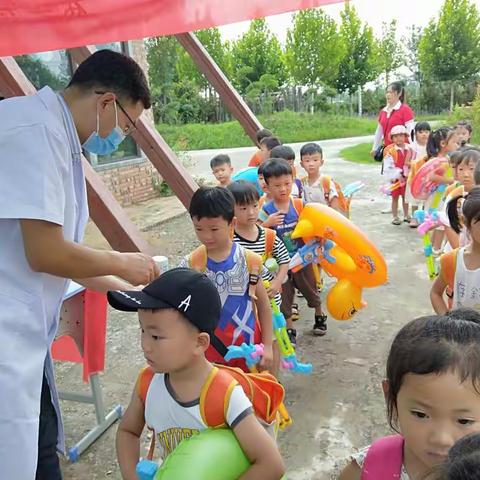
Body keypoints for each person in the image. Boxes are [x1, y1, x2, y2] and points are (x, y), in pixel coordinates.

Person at [0, 49, 159, 480]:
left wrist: (125, 285)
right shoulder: (35, 131)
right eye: (126, 125)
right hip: (8, 332)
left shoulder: (57, 134)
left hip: (23, 331)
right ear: (107, 102)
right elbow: (46, 252)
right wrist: (124, 264)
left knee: (36, 443)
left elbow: (64, 256)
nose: (120, 138)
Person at [108, 268, 285, 480]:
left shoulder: (224, 394)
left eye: (155, 336)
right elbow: (128, 431)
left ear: (200, 342)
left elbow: (271, 464)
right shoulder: (147, 381)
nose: (145, 345)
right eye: (142, 330)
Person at [339, 309, 480, 480]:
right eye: (420, 414)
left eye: (464, 421)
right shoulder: (368, 467)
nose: (441, 439)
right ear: (391, 396)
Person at [179, 187, 274, 373]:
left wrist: (268, 346)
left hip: (248, 351)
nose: (206, 236)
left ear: (232, 224)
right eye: (199, 229)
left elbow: (263, 305)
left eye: (214, 229)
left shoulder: (250, 261)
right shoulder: (190, 265)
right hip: (208, 355)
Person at [258, 159, 325, 345]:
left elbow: (314, 225)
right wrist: (267, 224)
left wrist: (318, 241)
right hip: (280, 265)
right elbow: (257, 234)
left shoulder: (299, 205)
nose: (283, 189)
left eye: (287, 184)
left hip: (302, 260)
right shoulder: (266, 210)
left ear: (293, 181)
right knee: (285, 298)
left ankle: (319, 315)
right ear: (267, 187)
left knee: (311, 290)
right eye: (277, 185)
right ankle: (290, 329)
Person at [228, 180, 290, 376]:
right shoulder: (230, 241)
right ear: (231, 211)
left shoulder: (268, 236)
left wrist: (277, 282)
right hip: (244, 307)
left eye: (255, 206)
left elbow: (285, 261)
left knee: (272, 340)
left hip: (271, 302)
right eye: (243, 208)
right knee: (248, 343)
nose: (251, 212)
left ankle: (273, 381)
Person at [431, 187, 480, 314]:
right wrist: (449, 323)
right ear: (465, 222)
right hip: (460, 332)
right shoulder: (452, 260)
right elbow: (436, 293)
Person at [423, 127, 459, 254]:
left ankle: (434, 247)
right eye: (455, 142)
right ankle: (436, 248)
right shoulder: (438, 160)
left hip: (441, 196)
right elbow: (432, 176)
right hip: (437, 198)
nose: (457, 145)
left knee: (439, 222)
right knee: (440, 223)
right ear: (443, 144)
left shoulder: (446, 159)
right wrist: (450, 181)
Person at [371, 81, 415, 159]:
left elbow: (411, 131)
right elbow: (379, 132)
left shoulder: (405, 110)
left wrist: (413, 150)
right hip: (388, 152)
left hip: (403, 152)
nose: (388, 95)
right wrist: (374, 148)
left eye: (391, 92)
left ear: (399, 93)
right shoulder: (383, 112)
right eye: (387, 92)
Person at [382, 125, 412, 225]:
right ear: (392, 138)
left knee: (406, 198)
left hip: (407, 178)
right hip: (395, 179)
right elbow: (388, 166)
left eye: (401, 135)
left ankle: (407, 215)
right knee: (395, 198)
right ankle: (395, 216)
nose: (398, 138)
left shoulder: (410, 149)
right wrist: (397, 175)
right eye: (395, 136)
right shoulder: (390, 151)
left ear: (405, 136)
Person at [299, 143, 341, 211]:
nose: (311, 164)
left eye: (315, 160)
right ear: (302, 164)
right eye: (307, 161)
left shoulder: (326, 182)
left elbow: (335, 208)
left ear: (321, 162)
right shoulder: (301, 184)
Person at [406, 122, 431, 227]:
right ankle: (414, 218)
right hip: (415, 177)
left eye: (426, 131)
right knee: (414, 199)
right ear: (415, 134)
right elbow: (406, 162)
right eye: (421, 132)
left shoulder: (431, 147)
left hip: (427, 177)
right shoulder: (412, 147)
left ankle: (425, 218)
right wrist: (417, 163)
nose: (424, 134)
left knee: (427, 198)